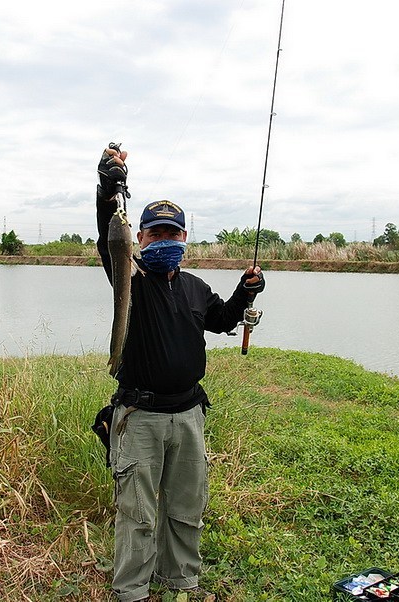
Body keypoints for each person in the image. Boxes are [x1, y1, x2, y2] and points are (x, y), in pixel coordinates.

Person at [95, 144, 265, 601]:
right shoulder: (129, 280)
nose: (164, 240)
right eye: (154, 234)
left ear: (185, 237)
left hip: (189, 415)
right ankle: (131, 590)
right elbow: (107, 235)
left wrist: (245, 293)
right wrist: (108, 187)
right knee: (137, 511)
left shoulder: (195, 287)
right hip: (140, 417)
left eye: (172, 233)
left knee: (187, 506)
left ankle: (181, 580)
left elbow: (224, 320)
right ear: (140, 240)